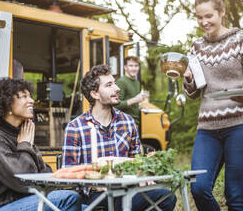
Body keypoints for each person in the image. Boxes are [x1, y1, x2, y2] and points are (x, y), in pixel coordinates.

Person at [183, 0, 243, 211]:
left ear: (222, 13)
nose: (204, 22)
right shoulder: (196, 47)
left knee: (235, 194)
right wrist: (187, 78)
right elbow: (192, 92)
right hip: (207, 128)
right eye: (199, 17)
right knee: (198, 188)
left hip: (241, 125)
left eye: (208, 16)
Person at [62, 64, 176, 210]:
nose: (117, 88)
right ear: (95, 94)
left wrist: (144, 173)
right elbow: (67, 175)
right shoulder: (76, 127)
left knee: (166, 196)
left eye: (114, 83)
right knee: (117, 200)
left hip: (128, 190)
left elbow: (137, 162)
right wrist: (95, 182)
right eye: (109, 85)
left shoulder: (128, 122)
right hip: (95, 196)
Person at [0, 78, 82, 211]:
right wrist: (25, 144)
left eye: (30, 96)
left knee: (87, 208)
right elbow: (22, 181)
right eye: (24, 96)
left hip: (26, 201)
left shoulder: (23, 133)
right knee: (70, 198)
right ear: (7, 104)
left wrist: (28, 146)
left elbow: (46, 174)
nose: (32, 100)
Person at [115, 56, 149, 127]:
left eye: (136, 66)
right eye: (131, 66)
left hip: (135, 123)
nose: (134, 68)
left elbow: (134, 104)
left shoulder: (137, 83)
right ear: (125, 67)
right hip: (124, 123)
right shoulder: (121, 82)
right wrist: (135, 100)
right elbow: (116, 105)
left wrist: (141, 107)